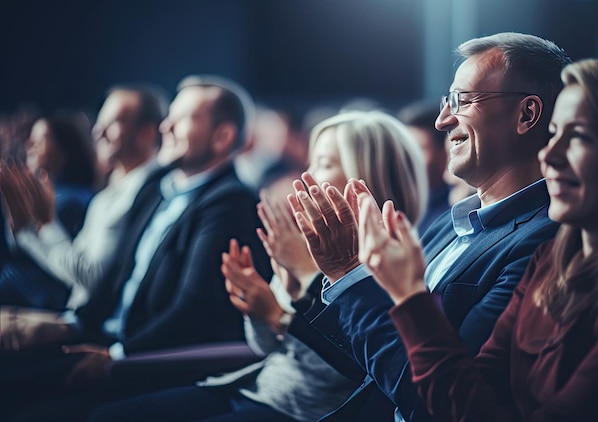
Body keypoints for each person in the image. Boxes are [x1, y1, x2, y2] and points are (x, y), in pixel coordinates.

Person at [286, 32, 569, 421]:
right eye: (445, 102)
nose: (442, 120)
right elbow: (366, 366)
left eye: (462, 101)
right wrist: (315, 284)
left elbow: (442, 402)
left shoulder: (544, 241)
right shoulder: (447, 226)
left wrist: (350, 273)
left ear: (526, 115)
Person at [87, 109, 428, 422]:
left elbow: (362, 366)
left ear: (362, 175)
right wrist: (258, 307)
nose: (307, 174)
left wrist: (292, 302)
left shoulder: (392, 257)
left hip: (302, 410)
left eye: (323, 163)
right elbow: (266, 346)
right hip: (253, 388)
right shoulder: (312, 242)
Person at [358, 58, 598, 421]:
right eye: (555, 133)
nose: (550, 153)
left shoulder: (537, 242)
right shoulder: (548, 260)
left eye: (577, 136)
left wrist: (405, 296)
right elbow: (467, 393)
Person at [0, 75, 272, 421]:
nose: (166, 126)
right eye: (169, 114)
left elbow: (192, 311)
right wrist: (73, 325)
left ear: (223, 137)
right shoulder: (156, 186)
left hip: (146, 360)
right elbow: (115, 276)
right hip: (106, 338)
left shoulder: (231, 204)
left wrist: (118, 355)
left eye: (183, 117)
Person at [1, 85, 166, 310]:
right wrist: (27, 230)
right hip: (74, 315)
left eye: (114, 122)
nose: (98, 131)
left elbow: (88, 277)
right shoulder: (111, 193)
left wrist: (45, 226)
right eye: (100, 121)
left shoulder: (148, 194)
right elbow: (76, 267)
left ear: (147, 133)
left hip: (86, 323)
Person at [397, 100, 452, 235]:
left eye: (419, 149)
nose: (409, 159)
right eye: (405, 150)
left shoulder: (454, 209)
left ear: (444, 153)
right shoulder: (397, 203)